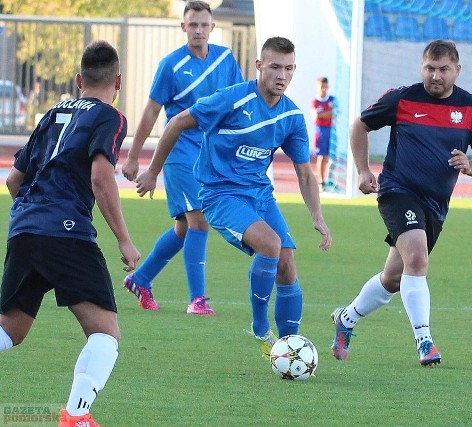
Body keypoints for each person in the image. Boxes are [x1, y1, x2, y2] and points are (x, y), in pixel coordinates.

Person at [135, 36, 332, 358]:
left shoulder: (291, 117)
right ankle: (259, 328)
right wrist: (153, 170)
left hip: (259, 195)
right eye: (274, 67)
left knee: (286, 261)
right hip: (220, 194)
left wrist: (317, 217)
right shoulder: (231, 100)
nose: (281, 75)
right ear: (259, 66)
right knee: (270, 244)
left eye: (288, 68)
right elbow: (175, 123)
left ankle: (290, 348)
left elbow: (305, 173)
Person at [330, 39, 472, 367]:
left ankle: (346, 319)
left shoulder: (471, 108)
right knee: (417, 259)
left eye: (443, 70)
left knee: (394, 277)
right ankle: (425, 341)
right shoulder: (403, 98)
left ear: (457, 71)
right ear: (421, 68)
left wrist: (470, 166)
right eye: (430, 69)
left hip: (435, 206)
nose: (436, 76)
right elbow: (360, 126)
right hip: (397, 191)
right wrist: (363, 170)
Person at [0, 40, 140, 427]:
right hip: (66, 232)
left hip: (25, 227)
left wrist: (35, 217)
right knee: (105, 333)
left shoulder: (51, 113)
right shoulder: (109, 116)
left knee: (11, 329)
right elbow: (100, 177)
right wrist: (124, 239)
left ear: (79, 79)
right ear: (119, 81)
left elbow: (14, 181)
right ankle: (75, 416)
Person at [121, 0, 244, 315]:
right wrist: (134, 157)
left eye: (204, 25)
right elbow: (151, 111)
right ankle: (198, 300)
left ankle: (142, 279)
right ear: (183, 27)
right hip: (179, 151)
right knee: (199, 220)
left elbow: (238, 101)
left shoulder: (226, 60)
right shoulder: (171, 65)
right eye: (193, 25)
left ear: (212, 27)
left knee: (184, 227)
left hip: (210, 152)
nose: (199, 30)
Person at [311, 76, 336, 191]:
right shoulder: (315, 102)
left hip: (332, 130)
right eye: (322, 87)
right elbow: (316, 116)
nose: (324, 89)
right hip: (321, 131)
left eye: (326, 87)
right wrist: (329, 113)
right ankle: (321, 182)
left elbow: (336, 113)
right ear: (318, 87)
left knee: (332, 158)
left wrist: (325, 114)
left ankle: (329, 180)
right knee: (321, 156)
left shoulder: (332, 99)